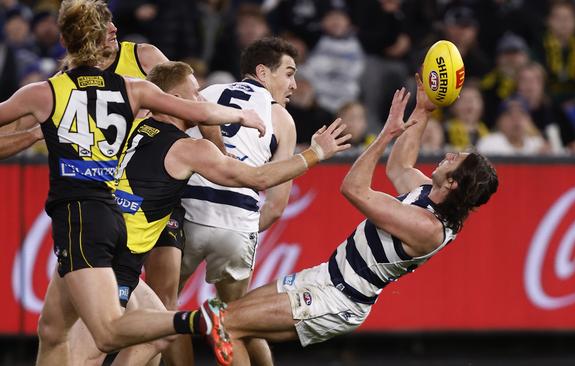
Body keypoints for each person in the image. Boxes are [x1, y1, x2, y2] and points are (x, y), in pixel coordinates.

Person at [0, 1, 267, 365]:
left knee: (107, 331)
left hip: (81, 217)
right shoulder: (133, 88)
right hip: (114, 213)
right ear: (102, 40)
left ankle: (196, 319)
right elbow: (199, 109)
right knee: (53, 330)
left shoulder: (46, 92)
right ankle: (182, 320)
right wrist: (242, 116)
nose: (114, 27)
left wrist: (35, 133)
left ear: (64, 40)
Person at [73, 60, 350, 366]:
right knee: (101, 343)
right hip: (118, 253)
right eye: (195, 94)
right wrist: (315, 153)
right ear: (174, 101)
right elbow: (258, 179)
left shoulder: (132, 125)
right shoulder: (188, 149)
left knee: (154, 325)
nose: (203, 100)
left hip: (87, 238)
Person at [206, 78, 499, 364]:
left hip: (336, 299)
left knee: (226, 323)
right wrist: (422, 110)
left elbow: (353, 188)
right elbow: (400, 166)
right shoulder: (429, 195)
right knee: (240, 323)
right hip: (325, 279)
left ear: (452, 184)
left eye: (454, 159)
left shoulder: (428, 226)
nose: (447, 154)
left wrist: (386, 133)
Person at [179, 36, 304, 365]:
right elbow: (275, 207)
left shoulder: (204, 94)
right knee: (237, 320)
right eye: (289, 73)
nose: (293, 84)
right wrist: (239, 225)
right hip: (238, 222)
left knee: (160, 312)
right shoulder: (281, 119)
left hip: (188, 215)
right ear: (263, 72)